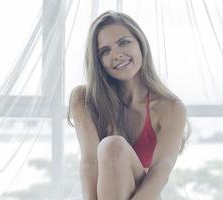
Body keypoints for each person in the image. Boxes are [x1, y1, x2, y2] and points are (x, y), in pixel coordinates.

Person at [67, 10, 189, 200]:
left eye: (124, 42)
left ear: (140, 44)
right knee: (111, 146)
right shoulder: (84, 99)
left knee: (113, 145)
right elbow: (90, 162)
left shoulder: (170, 108)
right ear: (98, 61)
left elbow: (161, 168)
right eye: (105, 51)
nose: (117, 55)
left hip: (145, 196)